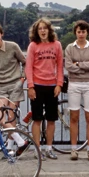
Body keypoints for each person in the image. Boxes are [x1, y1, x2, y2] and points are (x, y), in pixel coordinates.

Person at [0, 22, 30, 156]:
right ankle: (21, 142)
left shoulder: (13, 46)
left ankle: (10, 148)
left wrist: (22, 78)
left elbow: (25, 62)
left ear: (1, 34)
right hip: (0, 87)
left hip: (15, 85)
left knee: (11, 116)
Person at [25, 18, 64, 160]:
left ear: (49, 30)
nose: (42, 31)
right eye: (40, 28)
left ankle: (49, 148)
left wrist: (59, 84)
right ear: (36, 31)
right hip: (37, 86)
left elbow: (60, 66)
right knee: (37, 119)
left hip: (52, 86)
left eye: (45, 28)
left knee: (51, 119)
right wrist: (30, 86)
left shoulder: (57, 45)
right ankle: (37, 149)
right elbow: (28, 67)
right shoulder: (33, 46)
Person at [64, 20, 89, 162]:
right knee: (74, 117)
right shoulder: (69, 48)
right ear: (75, 33)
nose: (81, 34)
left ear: (87, 33)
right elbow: (68, 66)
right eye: (79, 31)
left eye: (83, 31)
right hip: (74, 84)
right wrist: (86, 66)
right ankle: (74, 149)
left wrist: (77, 64)